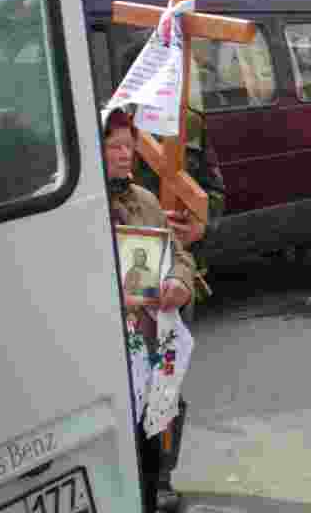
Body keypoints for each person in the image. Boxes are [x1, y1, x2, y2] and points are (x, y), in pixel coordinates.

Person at [103, 107, 195, 513]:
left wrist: (179, 281)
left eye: (129, 146)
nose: (125, 154)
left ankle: (158, 485)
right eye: (114, 147)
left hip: (149, 338)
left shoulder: (145, 201)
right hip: (108, 344)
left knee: (153, 426)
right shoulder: (84, 207)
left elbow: (178, 254)